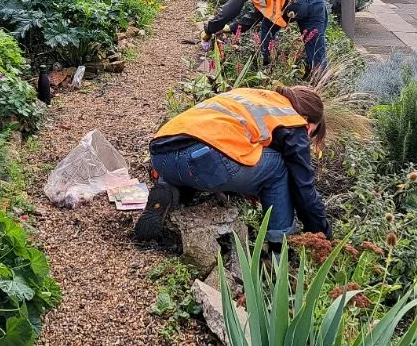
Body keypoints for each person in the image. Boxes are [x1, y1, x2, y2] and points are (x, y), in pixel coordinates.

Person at [135, 84, 332, 250]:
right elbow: (304, 188)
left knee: (214, 160)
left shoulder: (254, 97)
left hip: (161, 154)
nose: (306, 138)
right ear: (307, 122)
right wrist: (321, 235)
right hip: (206, 160)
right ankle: (280, 247)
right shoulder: (293, 121)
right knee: (279, 168)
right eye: (311, 134)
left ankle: (168, 188)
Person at [204, 0, 328, 75]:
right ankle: (319, 83)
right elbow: (258, 15)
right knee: (316, 45)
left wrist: (210, 28)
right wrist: (231, 28)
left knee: (267, 28)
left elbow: (232, 8)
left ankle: (267, 68)